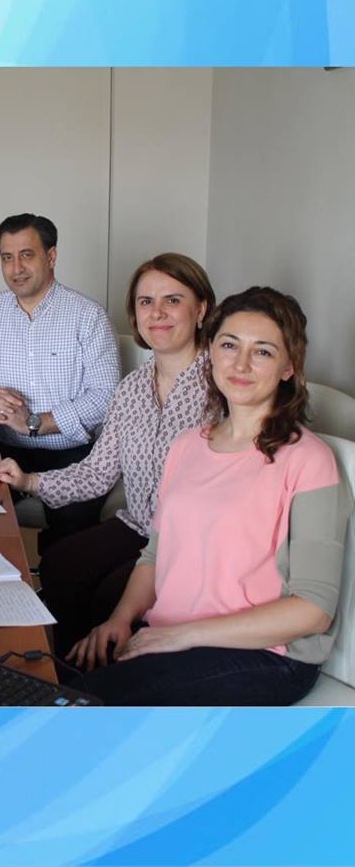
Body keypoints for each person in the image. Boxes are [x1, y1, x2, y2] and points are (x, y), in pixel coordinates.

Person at [67, 287, 347, 706]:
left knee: (78, 703)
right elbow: (155, 555)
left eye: (263, 351)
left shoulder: (308, 459)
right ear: (211, 351)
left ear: (289, 366)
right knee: (49, 677)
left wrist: (180, 637)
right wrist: (120, 620)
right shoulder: (187, 445)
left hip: (266, 655)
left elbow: (313, 609)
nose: (241, 364)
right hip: (173, 634)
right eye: (229, 345)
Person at [0, 253, 215, 653]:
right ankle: (64, 671)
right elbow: (97, 472)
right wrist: (28, 480)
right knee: (61, 563)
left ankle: (98, 677)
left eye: (173, 300)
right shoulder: (132, 388)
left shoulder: (222, 387)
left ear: (201, 309)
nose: (157, 312)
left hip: (193, 543)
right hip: (138, 524)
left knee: (109, 595)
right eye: (146, 302)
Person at [0, 213, 120, 547]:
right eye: (7, 258)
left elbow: (105, 397)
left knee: (69, 545)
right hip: (3, 448)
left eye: (26, 255)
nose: (16, 268)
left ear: (51, 256)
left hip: (75, 455)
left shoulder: (88, 316)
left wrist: (35, 422)